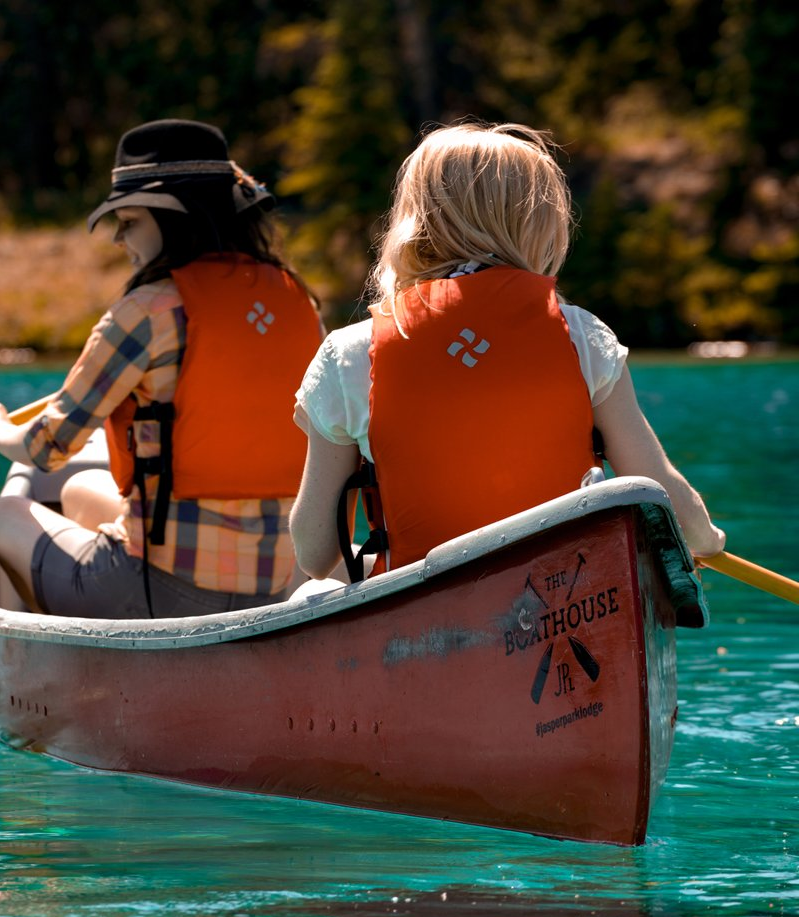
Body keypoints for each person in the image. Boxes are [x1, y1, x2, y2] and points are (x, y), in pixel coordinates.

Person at [289, 121, 725, 588]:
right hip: (566, 600)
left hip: (426, 609)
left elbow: (315, 552)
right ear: (541, 224)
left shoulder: (350, 353)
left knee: (312, 591)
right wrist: (708, 539)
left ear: (415, 219)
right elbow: (662, 496)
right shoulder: (583, 338)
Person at [0, 119, 326, 618]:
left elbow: (45, 448)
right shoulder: (298, 301)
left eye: (129, 221)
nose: (117, 239)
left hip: (168, 593)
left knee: (1, 514)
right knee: (77, 490)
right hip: (284, 585)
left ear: (175, 217)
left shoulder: (149, 309)